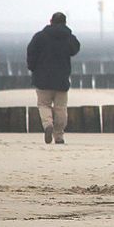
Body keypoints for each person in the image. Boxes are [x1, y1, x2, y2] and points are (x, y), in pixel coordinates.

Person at [26, 12, 81, 144]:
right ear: (65, 22)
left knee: (43, 104)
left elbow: (31, 53)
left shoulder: (39, 37)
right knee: (61, 107)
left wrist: (32, 68)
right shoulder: (68, 37)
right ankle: (59, 136)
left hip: (42, 78)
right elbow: (75, 48)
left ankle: (48, 124)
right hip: (61, 78)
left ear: (50, 21)